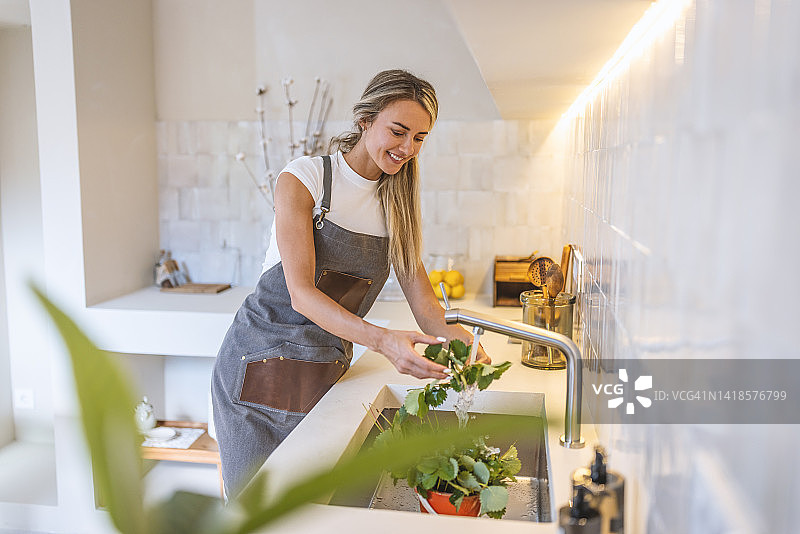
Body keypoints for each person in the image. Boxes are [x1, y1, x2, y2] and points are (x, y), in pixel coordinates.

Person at [211, 69, 489, 499]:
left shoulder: (396, 206)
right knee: (255, 513)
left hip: (324, 374)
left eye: (419, 138)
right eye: (398, 131)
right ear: (365, 120)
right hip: (258, 372)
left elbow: (428, 310)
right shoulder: (306, 179)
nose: (407, 148)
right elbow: (302, 295)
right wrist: (384, 341)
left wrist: (467, 347)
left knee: (316, 511)